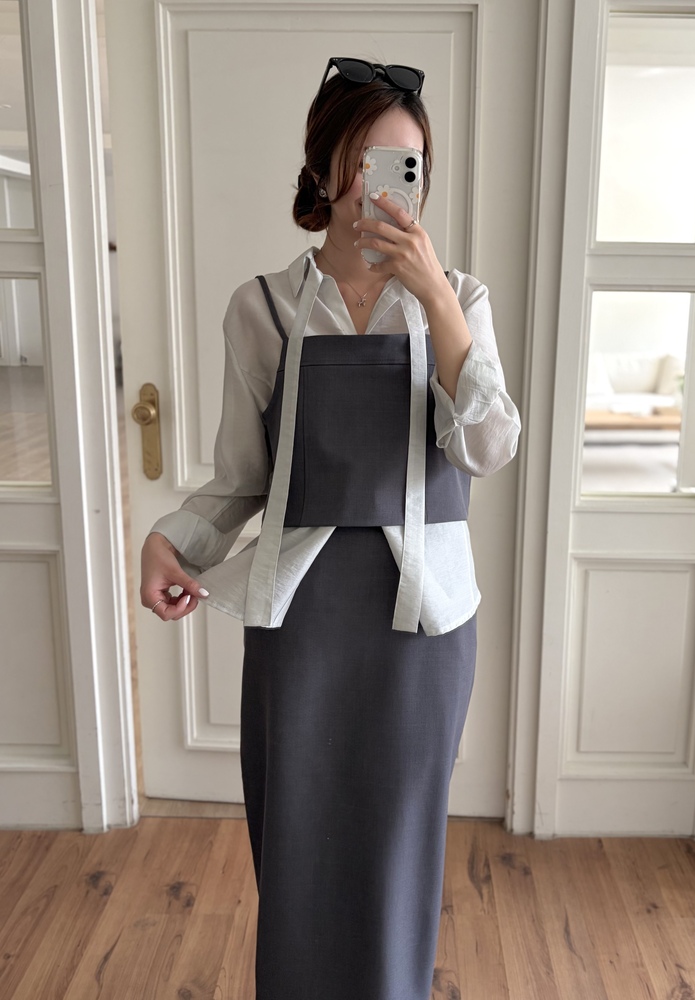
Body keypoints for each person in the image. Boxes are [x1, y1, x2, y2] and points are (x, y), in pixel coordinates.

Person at [140, 56, 521, 1000]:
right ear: (322, 167)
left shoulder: (459, 301)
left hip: (421, 626)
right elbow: (241, 480)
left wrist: (437, 302)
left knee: (398, 853)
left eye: (405, 166)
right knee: (300, 851)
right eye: (361, 161)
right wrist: (172, 542)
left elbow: (488, 447)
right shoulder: (263, 308)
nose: (379, 188)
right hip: (301, 622)